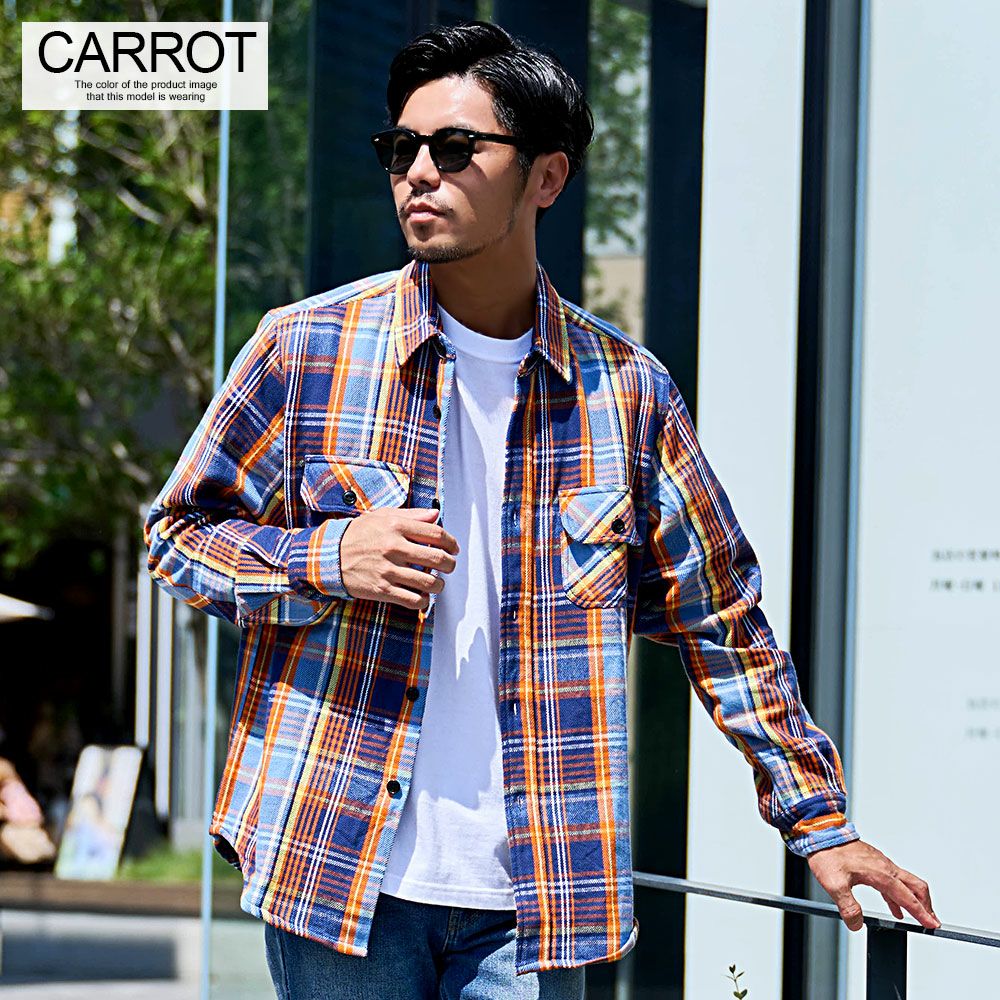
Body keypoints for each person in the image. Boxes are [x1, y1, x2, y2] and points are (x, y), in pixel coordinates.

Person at [143, 19, 939, 1000]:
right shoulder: (305, 349)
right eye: (401, 148)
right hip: (338, 868)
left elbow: (722, 619)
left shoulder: (626, 392)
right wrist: (325, 558)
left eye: (454, 148)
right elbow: (176, 538)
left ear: (547, 177)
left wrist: (820, 824)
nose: (418, 172)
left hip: (538, 896)